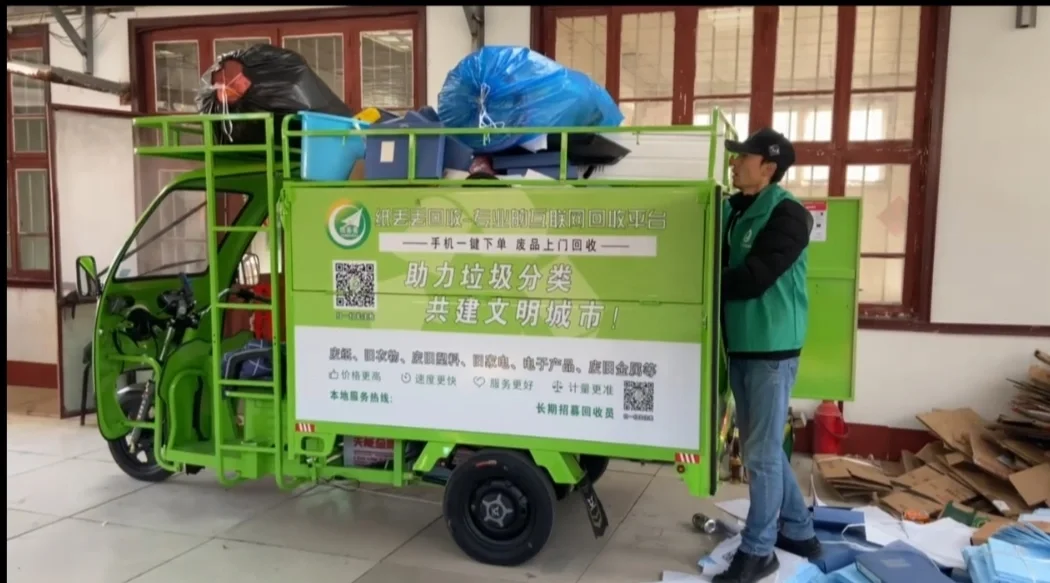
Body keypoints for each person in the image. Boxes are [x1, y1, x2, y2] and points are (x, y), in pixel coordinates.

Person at [713, 128, 821, 583]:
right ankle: (799, 532)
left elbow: (755, 277)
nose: (734, 163)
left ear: (769, 168)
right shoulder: (734, 210)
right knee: (766, 448)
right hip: (741, 345)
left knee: (759, 454)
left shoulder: (788, 214)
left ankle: (759, 551)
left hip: (772, 348)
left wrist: (700, 280)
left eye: (743, 158)